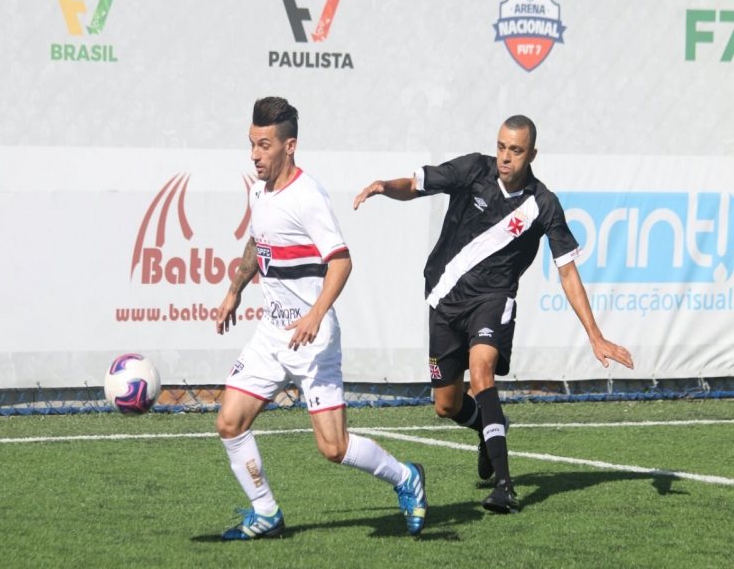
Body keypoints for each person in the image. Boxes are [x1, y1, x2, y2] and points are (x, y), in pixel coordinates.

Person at [353, 115, 634, 514]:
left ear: (531, 154)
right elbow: (416, 184)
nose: (505, 157)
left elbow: (568, 272)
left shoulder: (543, 204)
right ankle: (487, 429)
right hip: (445, 298)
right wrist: (384, 186)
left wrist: (595, 334)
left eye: (515, 150)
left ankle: (505, 487)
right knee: (446, 405)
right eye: (501, 146)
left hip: (493, 299)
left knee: (481, 369)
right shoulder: (473, 169)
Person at [214, 96, 427, 540]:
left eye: (264, 145)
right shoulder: (258, 189)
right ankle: (266, 513)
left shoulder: (308, 196)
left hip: (313, 340)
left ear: (289, 146)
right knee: (229, 422)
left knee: (334, 447)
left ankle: (406, 477)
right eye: (252, 144)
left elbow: (341, 261)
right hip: (272, 334)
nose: (254, 155)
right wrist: (234, 291)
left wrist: (315, 314)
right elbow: (257, 241)